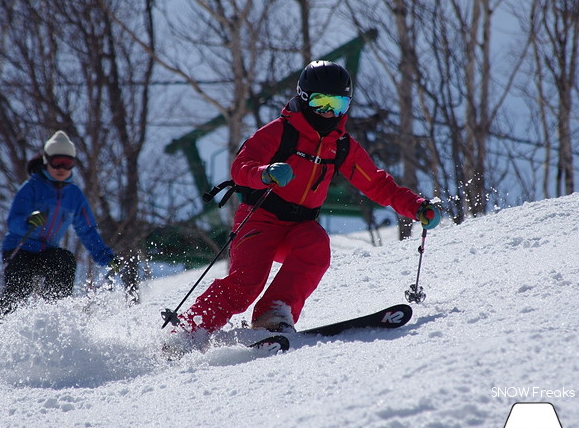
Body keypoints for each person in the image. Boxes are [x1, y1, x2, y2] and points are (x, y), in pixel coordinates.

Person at [177, 60, 440, 335]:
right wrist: (265, 173)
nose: (328, 112)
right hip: (260, 219)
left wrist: (416, 206)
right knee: (247, 284)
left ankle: (273, 314)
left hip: (299, 226)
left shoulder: (341, 146)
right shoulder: (280, 132)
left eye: (337, 104)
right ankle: (188, 332)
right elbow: (241, 167)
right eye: (320, 102)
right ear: (304, 98)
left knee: (316, 245)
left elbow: (377, 183)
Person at [0, 130, 116, 327]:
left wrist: (105, 257)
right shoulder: (32, 187)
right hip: (20, 249)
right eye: (56, 162)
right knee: (19, 291)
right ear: (46, 161)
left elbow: (86, 230)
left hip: (46, 251)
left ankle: (52, 318)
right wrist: (29, 221)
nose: (61, 168)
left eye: (67, 163)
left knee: (65, 261)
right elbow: (13, 222)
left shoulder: (74, 195)